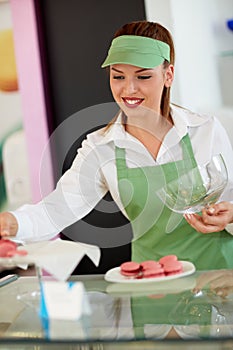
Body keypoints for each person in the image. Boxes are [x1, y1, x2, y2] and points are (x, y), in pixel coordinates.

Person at [0, 20, 233, 270]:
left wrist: (230, 214)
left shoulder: (204, 130)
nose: (129, 89)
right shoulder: (101, 148)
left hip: (218, 277)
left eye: (143, 76)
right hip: (152, 285)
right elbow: (57, 210)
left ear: (168, 76)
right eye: (118, 76)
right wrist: (11, 222)